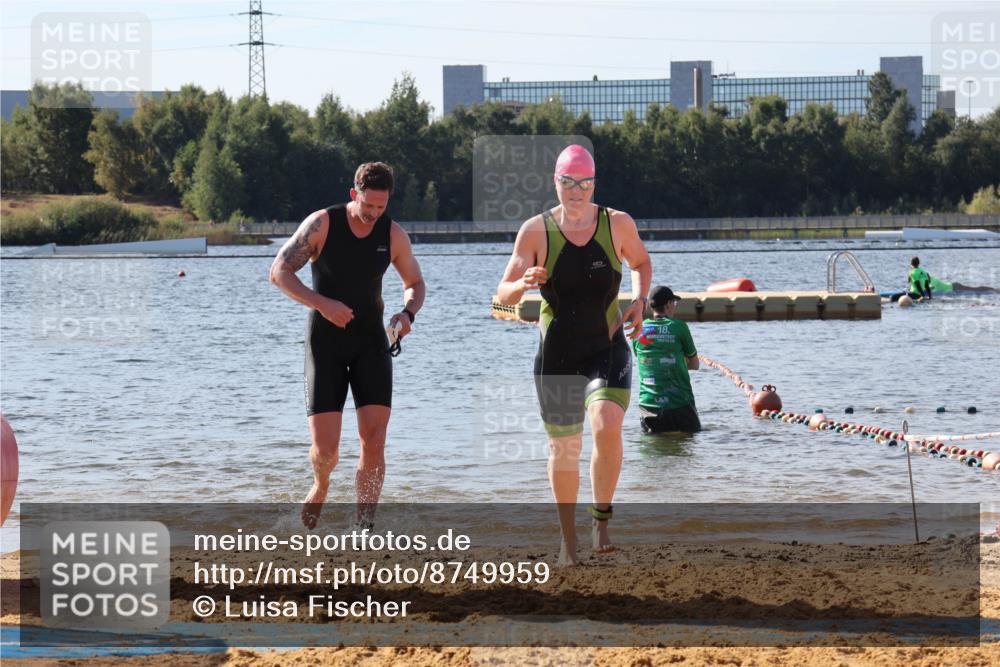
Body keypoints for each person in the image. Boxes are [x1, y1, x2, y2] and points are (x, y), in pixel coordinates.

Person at [496, 144, 652, 566]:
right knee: (564, 448)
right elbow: (499, 300)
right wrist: (522, 284)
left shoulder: (616, 224)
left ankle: (601, 521)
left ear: (594, 184)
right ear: (556, 182)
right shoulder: (535, 232)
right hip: (557, 354)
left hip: (607, 345)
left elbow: (640, 262)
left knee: (607, 425)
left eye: (584, 183)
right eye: (568, 182)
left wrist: (639, 300)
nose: (577, 191)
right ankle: (569, 541)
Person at [269, 162, 425, 530]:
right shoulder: (323, 224)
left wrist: (407, 315)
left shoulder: (394, 235)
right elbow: (279, 271)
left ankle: (364, 527)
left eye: (381, 208)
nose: (373, 214)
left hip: (371, 343)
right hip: (325, 346)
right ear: (354, 194)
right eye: (367, 205)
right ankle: (321, 485)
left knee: (374, 439)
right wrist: (323, 304)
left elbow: (415, 282)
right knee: (327, 452)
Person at [632, 286, 701, 434]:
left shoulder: (639, 329)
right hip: (679, 404)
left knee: (653, 452)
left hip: (648, 406)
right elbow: (695, 364)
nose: (674, 307)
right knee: (689, 445)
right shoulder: (679, 327)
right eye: (674, 303)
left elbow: (646, 361)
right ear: (669, 304)